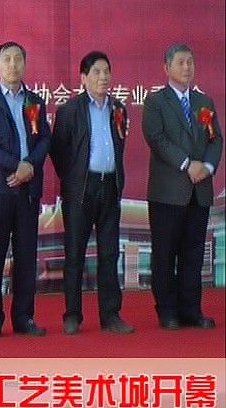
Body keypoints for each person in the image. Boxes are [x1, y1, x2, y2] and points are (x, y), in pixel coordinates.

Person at [50, 51, 134, 335]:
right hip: (80, 191)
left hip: (109, 186)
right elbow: (58, 151)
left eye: (106, 71)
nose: (103, 77)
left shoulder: (118, 108)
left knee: (109, 254)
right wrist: (73, 179)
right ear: (83, 78)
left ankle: (110, 315)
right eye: (97, 72)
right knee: (75, 254)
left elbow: (119, 146)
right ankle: (72, 314)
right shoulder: (69, 110)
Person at [0, 41, 50, 338]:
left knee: (26, 255)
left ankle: (24, 316)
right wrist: (15, 166)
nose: (13, 65)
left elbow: (44, 138)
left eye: (18, 59)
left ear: (25, 64)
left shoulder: (35, 101)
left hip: (28, 189)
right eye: (7, 59)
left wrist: (29, 165)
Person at [142, 43, 222, 330]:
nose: (187, 67)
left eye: (190, 62)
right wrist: (187, 164)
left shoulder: (204, 102)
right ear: (166, 68)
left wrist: (207, 167)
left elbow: (215, 139)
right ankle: (167, 310)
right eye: (181, 62)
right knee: (165, 253)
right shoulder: (155, 102)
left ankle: (192, 309)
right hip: (167, 192)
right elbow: (156, 138)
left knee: (193, 253)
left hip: (199, 191)